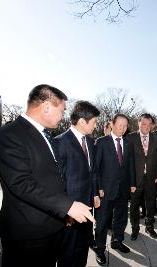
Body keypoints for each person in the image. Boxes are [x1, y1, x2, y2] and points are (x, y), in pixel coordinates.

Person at [0, 84, 95, 267]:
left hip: (52, 228)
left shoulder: (46, 136)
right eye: (62, 110)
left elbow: (56, 178)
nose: (63, 116)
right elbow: (21, 184)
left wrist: (64, 214)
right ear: (47, 106)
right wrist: (67, 206)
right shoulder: (10, 135)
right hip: (27, 235)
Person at [53, 101, 101, 267]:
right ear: (82, 121)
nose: (96, 125)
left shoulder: (90, 142)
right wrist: (65, 209)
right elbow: (57, 182)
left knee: (82, 248)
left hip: (86, 207)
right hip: (70, 210)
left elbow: (92, 172)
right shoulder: (60, 143)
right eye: (94, 122)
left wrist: (94, 193)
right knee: (68, 251)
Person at [93, 114, 135, 265]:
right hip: (106, 190)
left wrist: (132, 183)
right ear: (112, 124)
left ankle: (117, 241)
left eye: (125, 126)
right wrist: (98, 188)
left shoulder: (128, 143)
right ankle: (99, 249)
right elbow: (95, 168)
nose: (123, 129)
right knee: (102, 221)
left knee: (121, 218)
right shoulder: (102, 142)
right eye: (120, 125)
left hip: (123, 189)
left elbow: (130, 165)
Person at [128, 113, 157, 240]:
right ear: (138, 123)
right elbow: (128, 160)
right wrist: (130, 180)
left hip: (151, 177)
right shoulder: (131, 137)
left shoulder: (156, 138)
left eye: (149, 124)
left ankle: (149, 227)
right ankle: (135, 229)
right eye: (143, 123)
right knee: (134, 205)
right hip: (136, 178)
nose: (146, 127)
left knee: (150, 203)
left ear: (152, 125)